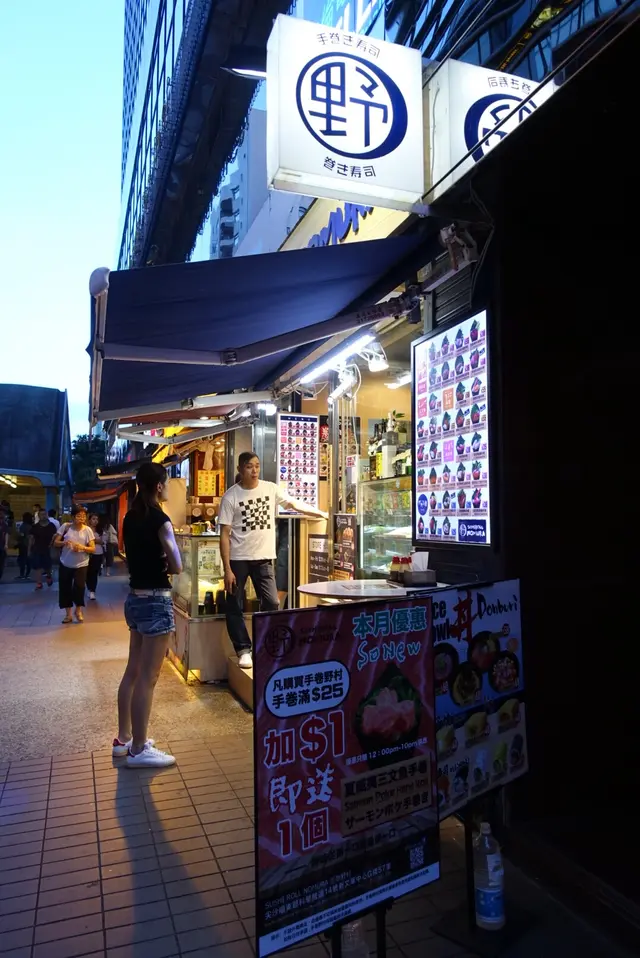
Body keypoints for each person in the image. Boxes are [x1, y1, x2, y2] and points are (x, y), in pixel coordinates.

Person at [219, 452, 327, 670]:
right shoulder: (231, 496)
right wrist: (227, 568)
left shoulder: (270, 489)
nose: (254, 470)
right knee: (234, 605)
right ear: (240, 469)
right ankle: (243, 649)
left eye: (257, 465)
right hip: (238, 559)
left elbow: (293, 503)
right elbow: (224, 534)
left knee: (272, 603)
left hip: (264, 558)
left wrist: (319, 513)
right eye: (249, 466)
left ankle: (265, 645)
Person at [114, 463, 182, 768]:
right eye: (165, 483)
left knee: (133, 670)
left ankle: (123, 739)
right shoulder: (160, 520)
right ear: (158, 486)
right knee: (149, 677)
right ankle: (139, 749)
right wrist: (166, 561)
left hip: (135, 599)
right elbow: (177, 564)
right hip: (156, 601)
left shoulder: (130, 517)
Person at [53, 505, 95, 623]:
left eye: (83, 516)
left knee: (80, 587)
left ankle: (78, 610)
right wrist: (64, 542)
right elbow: (56, 542)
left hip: (81, 564)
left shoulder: (87, 530)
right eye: (78, 516)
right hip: (65, 562)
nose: (81, 518)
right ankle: (68, 614)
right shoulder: (65, 527)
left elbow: (92, 548)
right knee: (65, 588)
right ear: (72, 517)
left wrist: (82, 547)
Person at [30, 511, 57, 589]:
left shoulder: (51, 526)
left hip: (48, 548)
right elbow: (31, 538)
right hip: (37, 548)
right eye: (42, 514)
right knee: (37, 566)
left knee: (47, 566)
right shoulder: (35, 527)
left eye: (45, 514)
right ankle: (39, 583)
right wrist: (29, 549)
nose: (44, 516)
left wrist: (53, 546)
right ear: (39, 516)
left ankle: (48, 576)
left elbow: (55, 536)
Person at [86, 514, 106, 600]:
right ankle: (89, 588)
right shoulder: (86, 530)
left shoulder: (100, 530)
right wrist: (95, 540)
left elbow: (103, 541)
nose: (95, 521)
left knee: (94, 573)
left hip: (98, 553)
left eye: (97, 519)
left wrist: (92, 540)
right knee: (87, 573)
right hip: (86, 553)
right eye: (93, 519)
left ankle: (92, 591)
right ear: (89, 520)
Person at [16, 512, 33, 581]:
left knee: (22, 560)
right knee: (28, 560)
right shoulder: (31, 526)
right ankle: (27, 574)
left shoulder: (23, 526)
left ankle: (22, 574)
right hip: (30, 545)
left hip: (23, 545)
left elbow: (21, 535)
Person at [0, 508, 8, 583]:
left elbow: (6, 534)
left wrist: (6, 544)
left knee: (1, 562)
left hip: (1, 546)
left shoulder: (4, 524)